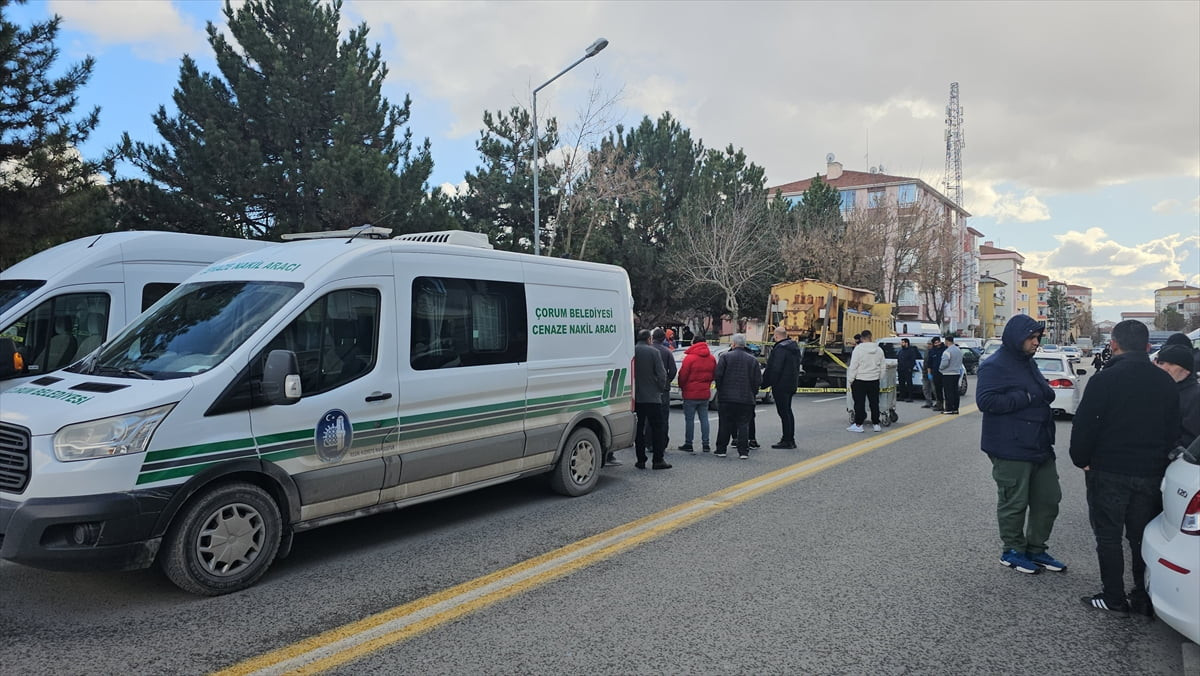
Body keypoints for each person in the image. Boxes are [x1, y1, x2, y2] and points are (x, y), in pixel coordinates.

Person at [1070, 320, 1179, 615]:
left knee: (1108, 536)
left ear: (1114, 345)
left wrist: (1082, 459)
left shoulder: (1104, 379)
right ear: (1147, 347)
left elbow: (1085, 426)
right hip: (1150, 472)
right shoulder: (1165, 382)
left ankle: (1113, 597)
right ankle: (1143, 594)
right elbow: (1173, 430)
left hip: (1108, 470)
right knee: (1141, 536)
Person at [976, 315, 1066, 576]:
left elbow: (1043, 392)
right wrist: (1025, 396)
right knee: (1014, 502)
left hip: (1038, 444)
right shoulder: (995, 365)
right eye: (1032, 338)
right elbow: (986, 401)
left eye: (1038, 338)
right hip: (1010, 446)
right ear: (1017, 337)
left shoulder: (1027, 362)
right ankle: (1013, 551)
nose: (1036, 343)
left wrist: (1041, 393)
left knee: (1049, 499)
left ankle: (1036, 549)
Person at [713, 333, 761, 459]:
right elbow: (757, 380)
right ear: (744, 345)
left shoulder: (725, 357)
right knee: (743, 424)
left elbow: (718, 375)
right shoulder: (753, 360)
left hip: (726, 398)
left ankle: (721, 449)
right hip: (746, 398)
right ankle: (743, 451)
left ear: (733, 344)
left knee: (724, 423)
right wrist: (753, 393)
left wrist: (721, 390)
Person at [633, 329, 671, 470]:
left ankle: (640, 459)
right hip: (653, 397)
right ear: (649, 339)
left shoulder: (632, 352)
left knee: (639, 429)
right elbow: (662, 374)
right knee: (657, 428)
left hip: (637, 396)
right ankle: (658, 459)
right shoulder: (654, 352)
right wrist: (660, 389)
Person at [763, 326, 802, 449]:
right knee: (788, 411)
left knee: (784, 412)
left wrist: (765, 383)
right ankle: (790, 438)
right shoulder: (794, 348)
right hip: (791, 384)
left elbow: (775, 369)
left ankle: (787, 440)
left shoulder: (780, 349)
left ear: (776, 336)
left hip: (781, 385)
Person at [1154, 344, 1199, 449]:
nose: (1165, 368)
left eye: (1172, 363)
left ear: (1186, 370)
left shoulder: (1195, 397)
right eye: (1161, 363)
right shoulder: (1157, 392)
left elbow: (1192, 438)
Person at [677, 337, 716, 452]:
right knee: (704, 418)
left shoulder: (689, 358)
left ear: (693, 343)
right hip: (704, 393)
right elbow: (714, 374)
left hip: (690, 393)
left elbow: (683, 375)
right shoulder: (711, 358)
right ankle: (706, 444)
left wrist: (682, 386)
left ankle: (689, 443)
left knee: (689, 419)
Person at [846, 329, 884, 433]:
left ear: (862, 338)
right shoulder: (879, 350)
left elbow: (854, 366)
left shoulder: (858, 349)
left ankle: (859, 425)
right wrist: (879, 377)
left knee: (859, 403)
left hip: (860, 379)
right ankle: (876, 424)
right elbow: (882, 366)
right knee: (874, 402)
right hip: (874, 379)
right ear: (871, 337)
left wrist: (850, 379)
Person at [651, 328, 677, 446]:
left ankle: (649, 441)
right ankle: (662, 442)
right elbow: (673, 370)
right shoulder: (667, 352)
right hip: (663, 389)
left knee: (648, 416)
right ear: (664, 338)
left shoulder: (646, 350)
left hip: (647, 387)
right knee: (663, 417)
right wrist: (667, 381)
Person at [939, 335, 964, 414]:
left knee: (948, 392)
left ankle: (949, 409)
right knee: (955, 391)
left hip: (948, 373)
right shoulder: (958, 350)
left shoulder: (947, 351)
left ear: (947, 341)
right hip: (956, 372)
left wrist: (940, 368)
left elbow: (944, 363)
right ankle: (955, 408)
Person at [895, 338, 920, 402]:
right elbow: (899, 359)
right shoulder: (901, 351)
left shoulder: (911, 351)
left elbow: (912, 361)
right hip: (901, 369)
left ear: (906, 343)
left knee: (909, 383)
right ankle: (901, 396)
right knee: (901, 384)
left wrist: (910, 368)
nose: (901, 344)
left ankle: (910, 397)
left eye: (903, 342)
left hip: (907, 369)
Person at [925, 336, 946, 411]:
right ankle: (940, 405)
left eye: (938, 342)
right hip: (935, 373)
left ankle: (948, 405)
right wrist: (929, 373)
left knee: (946, 390)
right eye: (935, 343)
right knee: (938, 390)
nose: (937, 344)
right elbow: (929, 364)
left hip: (944, 373)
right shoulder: (932, 351)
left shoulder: (945, 349)